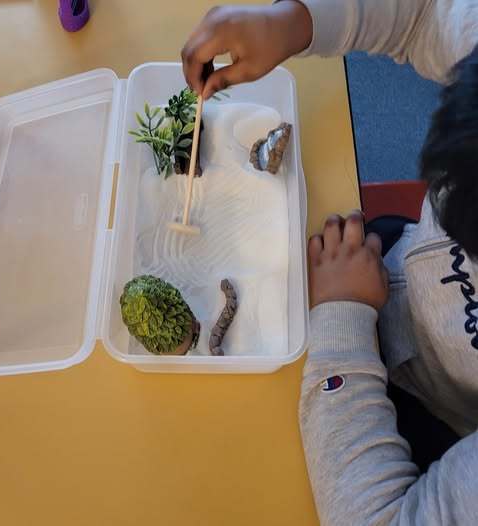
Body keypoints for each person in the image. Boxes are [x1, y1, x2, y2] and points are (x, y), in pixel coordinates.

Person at [183, 2, 478, 524]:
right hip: (387, 269)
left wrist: (343, 318)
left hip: (423, 431)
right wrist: (295, 22)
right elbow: (425, 13)